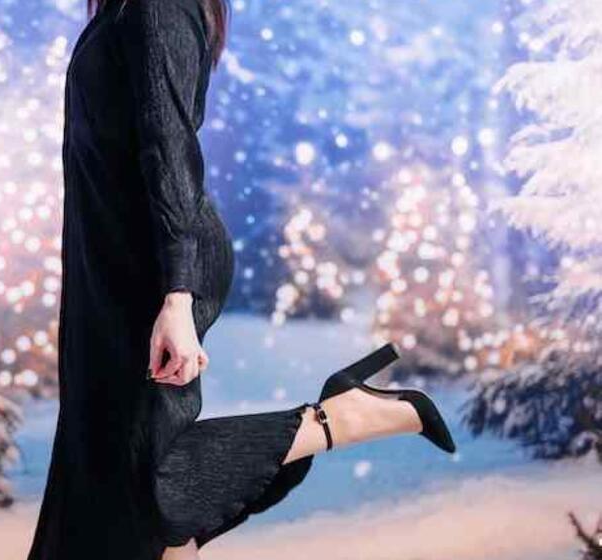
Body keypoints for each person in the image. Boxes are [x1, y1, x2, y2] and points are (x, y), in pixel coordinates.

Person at [26, 0, 456, 558]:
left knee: (146, 482)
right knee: (96, 491)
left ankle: (338, 419)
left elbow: (169, 145)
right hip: (106, 278)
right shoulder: (122, 9)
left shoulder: (157, 6)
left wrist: (177, 293)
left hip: (151, 274)